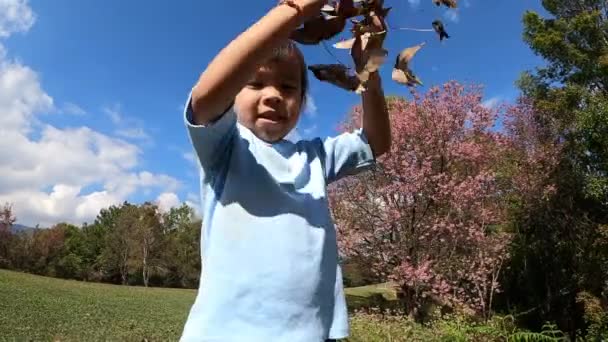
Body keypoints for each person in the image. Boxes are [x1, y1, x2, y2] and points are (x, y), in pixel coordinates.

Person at [180, 0, 391, 341]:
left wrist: (370, 71)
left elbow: (376, 142)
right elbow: (205, 99)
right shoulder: (225, 148)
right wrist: (298, 9)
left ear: (302, 102)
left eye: (288, 87)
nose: (274, 95)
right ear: (233, 94)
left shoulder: (316, 157)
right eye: (255, 83)